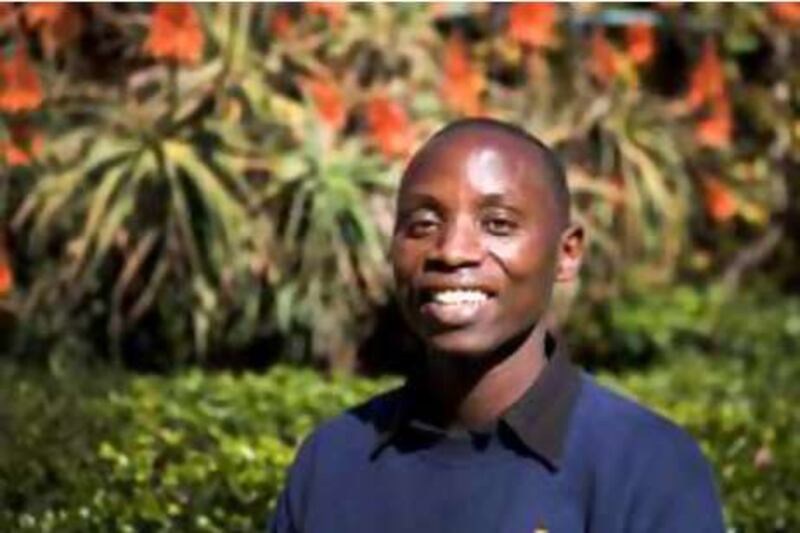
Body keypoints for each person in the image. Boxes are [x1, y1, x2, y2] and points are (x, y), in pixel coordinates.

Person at [268, 118, 725, 532]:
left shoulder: (646, 467)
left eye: (498, 224)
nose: (452, 251)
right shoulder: (332, 462)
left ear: (567, 254)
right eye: (423, 224)